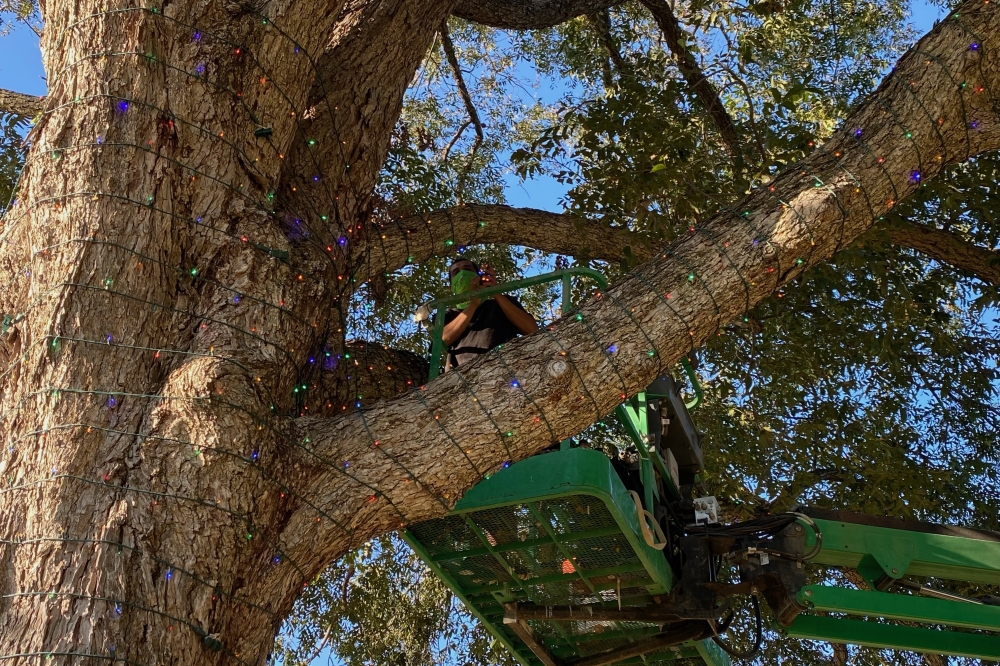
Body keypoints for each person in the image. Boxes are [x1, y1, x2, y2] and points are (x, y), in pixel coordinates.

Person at [439, 259, 538, 370]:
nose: (462, 273)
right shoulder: (447, 314)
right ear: (452, 287)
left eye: (467, 269)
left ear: (478, 276)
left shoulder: (502, 304)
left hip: (504, 369)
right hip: (460, 376)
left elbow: (532, 329)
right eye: (456, 272)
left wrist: (495, 292)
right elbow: (443, 339)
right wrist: (473, 305)